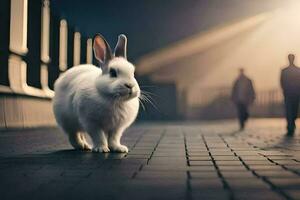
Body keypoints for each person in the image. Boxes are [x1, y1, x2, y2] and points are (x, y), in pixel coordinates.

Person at [280, 54, 300, 136]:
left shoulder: (298, 70)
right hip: (288, 93)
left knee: (294, 110)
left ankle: (292, 122)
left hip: (296, 93)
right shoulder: (284, 70)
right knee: (289, 109)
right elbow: (281, 82)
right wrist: (284, 90)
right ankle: (290, 126)